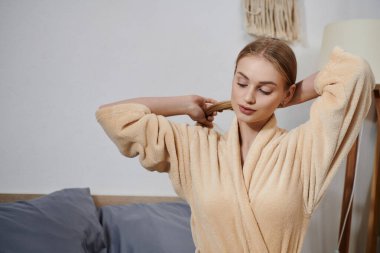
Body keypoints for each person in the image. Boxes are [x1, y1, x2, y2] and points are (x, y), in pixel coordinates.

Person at [96, 37, 375, 253]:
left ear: (285, 93)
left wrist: (291, 97)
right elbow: (113, 117)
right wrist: (183, 104)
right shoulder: (196, 148)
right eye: (241, 83)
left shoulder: (301, 151)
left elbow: (357, 73)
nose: (248, 97)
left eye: (265, 89)